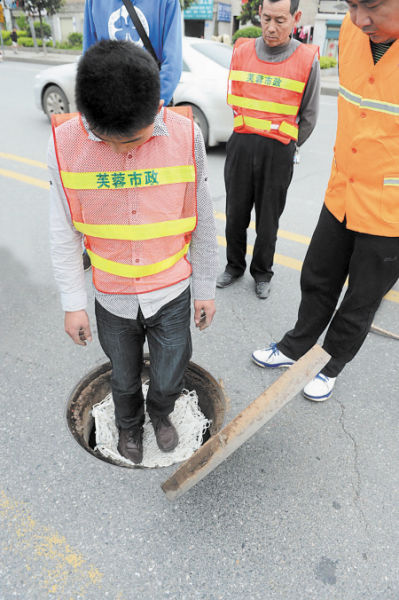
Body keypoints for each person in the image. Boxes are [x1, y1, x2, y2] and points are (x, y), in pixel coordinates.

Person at [48, 40, 218, 464]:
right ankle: (128, 425)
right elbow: (63, 231)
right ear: (87, 116)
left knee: (171, 369)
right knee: (122, 377)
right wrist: (73, 304)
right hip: (112, 295)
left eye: (137, 139)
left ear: (158, 104)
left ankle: (160, 413)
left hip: (172, 291)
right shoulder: (65, 146)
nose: (126, 150)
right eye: (112, 141)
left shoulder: (186, 136)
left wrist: (205, 288)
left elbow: (205, 218)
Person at [252, 0, 399, 400]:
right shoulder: (353, 33)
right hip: (343, 191)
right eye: (351, 5)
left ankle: (329, 364)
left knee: (361, 298)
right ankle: (296, 346)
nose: (358, 19)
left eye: (371, 7)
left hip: (391, 215)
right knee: (317, 276)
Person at [217, 0, 320, 299]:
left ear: (296, 18)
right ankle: (234, 266)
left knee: (268, 219)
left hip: (278, 151)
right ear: (259, 15)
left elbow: (309, 116)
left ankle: (262, 272)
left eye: (280, 20)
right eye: (266, 19)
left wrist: (289, 143)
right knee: (235, 214)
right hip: (241, 145)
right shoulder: (242, 51)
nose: (271, 27)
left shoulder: (306, 58)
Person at [83, 0, 182, 106]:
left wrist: (155, 102)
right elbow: (89, 61)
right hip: (110, 104)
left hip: (151, 103)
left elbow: (173, 62)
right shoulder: (93, 2)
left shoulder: (167, 2)